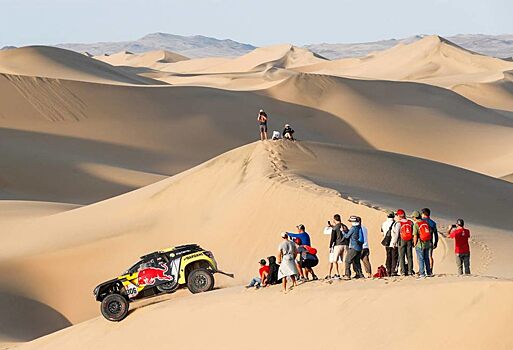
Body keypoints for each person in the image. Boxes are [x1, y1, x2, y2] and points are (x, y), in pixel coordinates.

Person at [327, 214, 349, 279]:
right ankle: (344, 274)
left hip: (338, 245)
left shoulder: (335, 227)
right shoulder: (345, 226)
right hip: (345, 244)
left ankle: (338, 273)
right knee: (344, 261)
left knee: (335, 260)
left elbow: (333, 238)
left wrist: (330, 246)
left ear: (334, 219)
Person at [412, 211, 432, 278]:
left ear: (415, 217)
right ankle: (429, 272)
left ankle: (422, 273)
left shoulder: (416, 224)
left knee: (420, 259)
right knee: (426, 258)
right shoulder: (425, 223)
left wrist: (414, 244)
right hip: (427, 243)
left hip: (420, 244)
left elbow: (415, 236)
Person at [396, 209, 414, 276]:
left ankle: (403, 271)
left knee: (402, 256)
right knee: (409, 256)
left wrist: (394, 242)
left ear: (399, 216)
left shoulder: (398, 223)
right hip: (409, 240)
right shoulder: (410, 222)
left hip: (402, 240)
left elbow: (396, 234)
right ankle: (410, 271)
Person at [381, 211, 399, 276]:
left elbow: (382, 234)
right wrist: (394, 243)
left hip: (387, 243)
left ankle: (388, 271)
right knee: (394, 257)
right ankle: (393, 271)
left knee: (388, 257)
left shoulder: (383, 224)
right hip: (394, 243)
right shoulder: (396, 223)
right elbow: (396, 234)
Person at [421, 208, 439, 273]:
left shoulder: (421, 221)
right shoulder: (433, 223)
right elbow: (436, 234)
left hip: (422, 241)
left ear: (423, 214)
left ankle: (422, 269)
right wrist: (436, 242)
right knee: (430, 256)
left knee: (421, 256)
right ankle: (430, 270)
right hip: (430, 242)